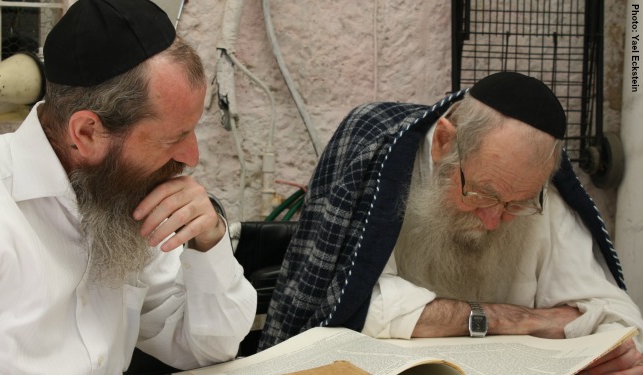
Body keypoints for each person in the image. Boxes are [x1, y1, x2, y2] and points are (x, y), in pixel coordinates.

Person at [0, 0, 257, 373]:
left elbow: (206, 350)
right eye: (172, 138)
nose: (191, 156)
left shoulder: (122, 194)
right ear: (86, 132)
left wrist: (208, 239)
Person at [259, 72, 643, 372]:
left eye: (516, 204)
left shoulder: (537, 192)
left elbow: (619, 318)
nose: (493, 220)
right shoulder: (381, 159)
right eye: (482, 194)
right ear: (444, 141)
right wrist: (522, 320)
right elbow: (359, 308)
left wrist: (617, 357)